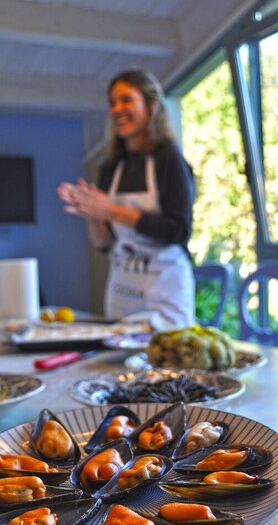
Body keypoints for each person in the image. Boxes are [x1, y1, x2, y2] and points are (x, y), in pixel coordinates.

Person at [57, 69, 195, 330]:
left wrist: (113, 210)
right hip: (123, 293)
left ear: (150, 105)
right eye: (112, 103)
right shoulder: (111, 165)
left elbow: (178, 231)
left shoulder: (168, 158)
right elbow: (104, 243)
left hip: (164, 294)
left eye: (126, 100)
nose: (117, 109)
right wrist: (93, 214)